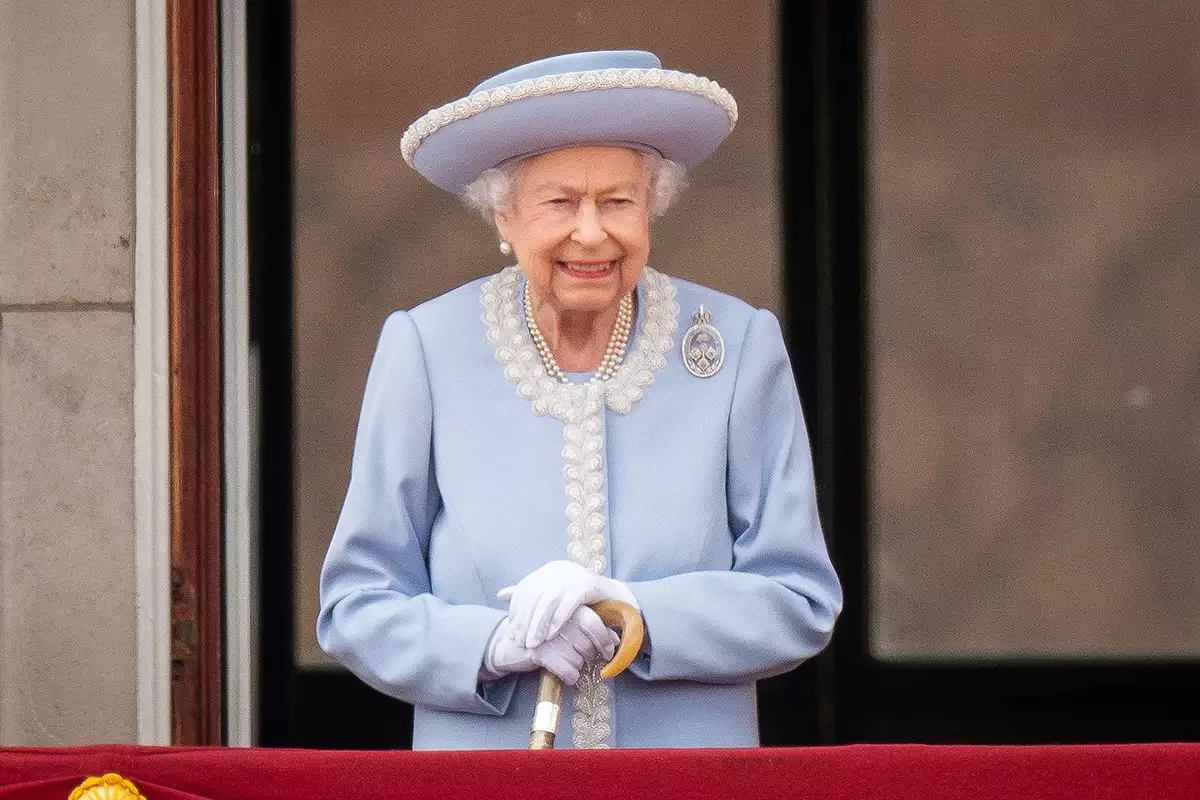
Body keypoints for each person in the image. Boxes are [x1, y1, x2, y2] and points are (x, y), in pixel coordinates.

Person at [317, 49, 842, 750]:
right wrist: (494, 644)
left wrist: (637, 613)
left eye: (618, 201)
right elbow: (355, 604)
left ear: (651, 206)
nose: (591, 232)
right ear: (503, 216)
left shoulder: (738, 346)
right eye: (560, 202)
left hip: (683, 781)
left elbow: (799, 599)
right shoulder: (426, 349)